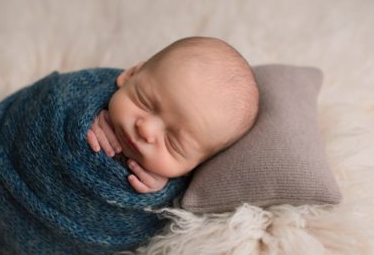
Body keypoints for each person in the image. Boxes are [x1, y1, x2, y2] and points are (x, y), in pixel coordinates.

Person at [86, 36, 259, 193]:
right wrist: (86, 116)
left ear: (191, 168)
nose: (146, 130)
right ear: (131, 75)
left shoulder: (175, 188)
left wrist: (159, 192)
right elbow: (69, 93)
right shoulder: (90, 90)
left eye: (172, 143)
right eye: (144, 102)